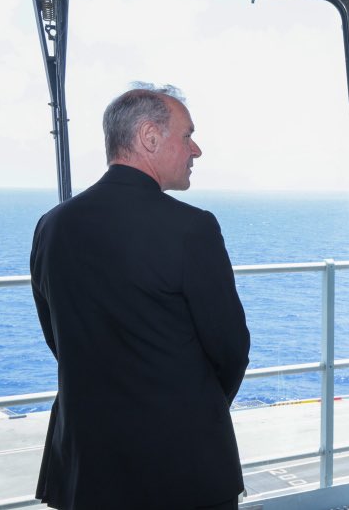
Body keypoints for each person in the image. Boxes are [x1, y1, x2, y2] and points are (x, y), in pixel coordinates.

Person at [30, 84, 251, 510]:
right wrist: (195, 408)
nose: (197, 150)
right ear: (150, 137)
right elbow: (231, 348)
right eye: (187, 136)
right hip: (181, 468)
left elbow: (57, 337)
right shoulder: (192, 229)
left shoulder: (52, 226)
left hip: (86, 467)